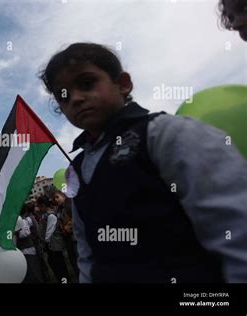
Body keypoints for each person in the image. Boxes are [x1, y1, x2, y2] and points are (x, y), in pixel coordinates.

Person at [39, 42, 247, 283]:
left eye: (86, 83)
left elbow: (236, 233)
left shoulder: (165, 133)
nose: (75, 98)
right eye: (62, 95)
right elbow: (87, 250)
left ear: (123, 83)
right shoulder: (77, 167)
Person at [37, 195, 68, 283]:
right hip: (51, 246)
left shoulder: (51, 216)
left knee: (59, 266)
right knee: (54, 264)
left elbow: (49, 232)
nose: (39, 208)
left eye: (39, 206)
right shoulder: (45, 215)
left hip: (55, 245)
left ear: (43, 205)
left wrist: (44, 241)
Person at [53, 190, 79, 279]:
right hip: (67, 239)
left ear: (63, 196)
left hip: (75, 238)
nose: (56, 200)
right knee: (73, 261)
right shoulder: (59, 209)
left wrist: (66, 228)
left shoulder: (71, 205)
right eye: (54, 198)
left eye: (57, 197)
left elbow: (74, 220)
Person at [16, 202, 45, 283]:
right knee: (29, 274)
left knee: (35, 272)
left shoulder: (25, 220)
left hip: (29, 249)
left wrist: (16, 232)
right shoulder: (17, 220)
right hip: (21, 250)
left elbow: (25, 233)